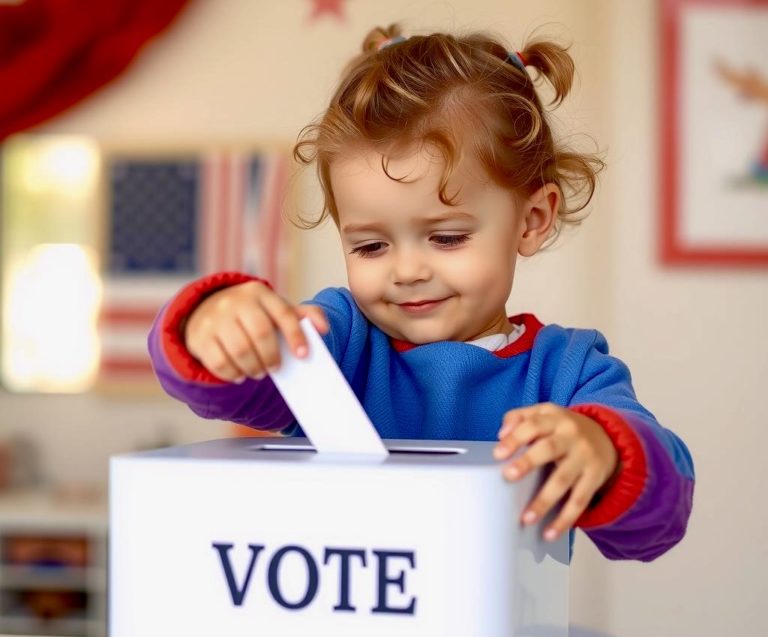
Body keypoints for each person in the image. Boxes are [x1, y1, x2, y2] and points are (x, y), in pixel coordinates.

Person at [149, 25, 694, 561]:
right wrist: (213, 322)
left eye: (446, 237)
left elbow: (657, 526)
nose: (406, 271)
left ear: (532, 220)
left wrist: (600, 450)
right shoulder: (341, 341)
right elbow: (228, 387)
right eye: (369, 247)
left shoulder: (569, 371)